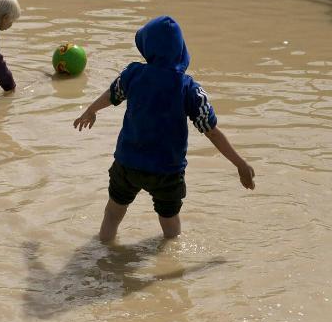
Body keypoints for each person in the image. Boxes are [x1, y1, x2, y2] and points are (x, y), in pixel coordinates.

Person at [72, 15, 255, 242]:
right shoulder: (189, 89)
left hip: (127, 164)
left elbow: (113, 94)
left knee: (112, 213)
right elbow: (211, 131)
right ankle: (170, 265)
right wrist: (240, 164)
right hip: (167, 171)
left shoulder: (134, 74)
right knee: (170, 224)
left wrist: (91, 110)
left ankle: (103, 253)